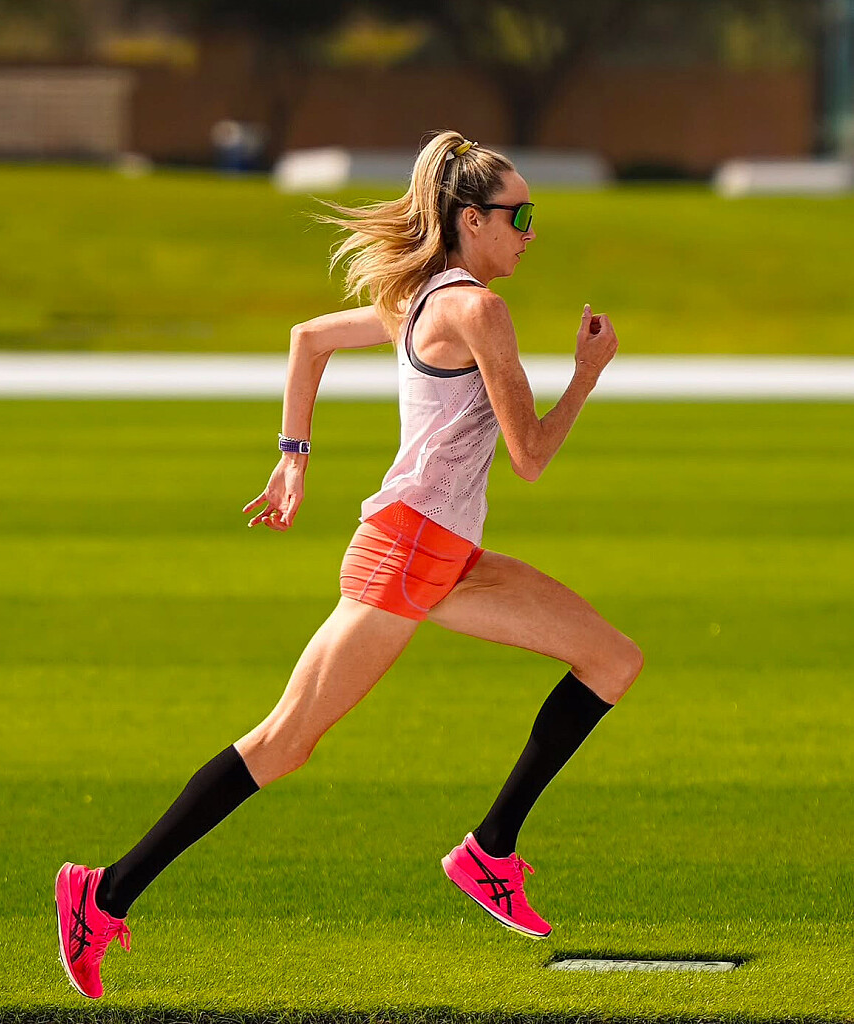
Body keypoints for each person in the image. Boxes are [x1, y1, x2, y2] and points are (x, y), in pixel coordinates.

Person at [54, 130, 644, 999]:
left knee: (611, 660)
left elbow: (308, 338)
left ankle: (489, 852)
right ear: (471, 220)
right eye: (519, 216)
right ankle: (102, 894)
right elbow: (529, 456)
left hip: (445, 554)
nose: (530, 231)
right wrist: (586, 375)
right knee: (284, 743)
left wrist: (292, 457)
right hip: (406, 557)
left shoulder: (421, 296)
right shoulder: (476, 310)